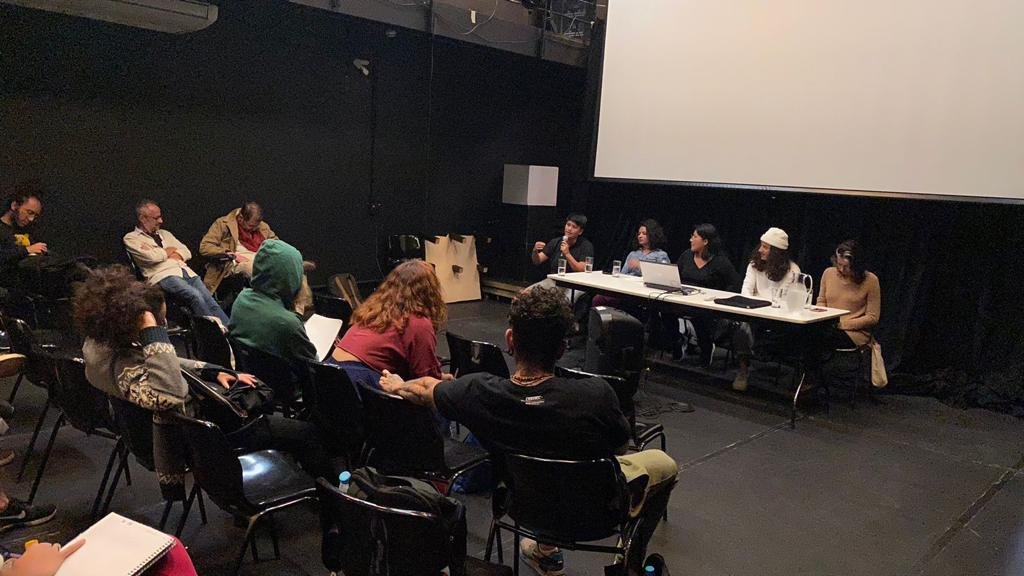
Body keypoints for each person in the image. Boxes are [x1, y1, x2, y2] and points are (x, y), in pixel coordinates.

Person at [380, 286, 677, 576]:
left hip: (522, 507)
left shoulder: (479, 393)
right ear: (561, 348)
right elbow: (620, 448)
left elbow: (425, 389)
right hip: (598, 516)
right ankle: (628, 560)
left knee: (541, 467)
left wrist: (397, 385)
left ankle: (543, 550)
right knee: (664, 464)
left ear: (510, 340)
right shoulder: (597, 395)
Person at [76, 266, 336, 500]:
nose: (164, 328)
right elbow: (171, 393)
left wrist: (211, 372)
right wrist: (150, 328)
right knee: (305, 432)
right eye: (160, 324)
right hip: (198, 441)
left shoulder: (102, 351)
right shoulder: (127, 371)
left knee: (256, 400)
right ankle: (333, 500)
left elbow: (166, 363)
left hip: (166, 433)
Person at [326, 259, 448, 389]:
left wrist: (439, 377)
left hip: (331, 375)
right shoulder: (418, 322)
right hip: (358, 382)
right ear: (430, 291)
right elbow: (426, 380)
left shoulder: (373, 310)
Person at [124, 200, 229, 326]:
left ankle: (232, 334)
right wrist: (168, 252)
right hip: (163, 276)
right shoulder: (131, 238)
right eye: (156, 218)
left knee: (210, 301)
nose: (161, 221)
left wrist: (164, 254)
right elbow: (151, 257)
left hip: (185, 271)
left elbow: (186, 252)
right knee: (195, 296)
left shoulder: (165, 234)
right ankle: (214, 331)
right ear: (142, 218)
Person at [199, 201, 314, 315]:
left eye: (256, 226)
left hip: (263, 257)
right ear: (240, 219)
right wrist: (229, 253)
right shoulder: (222, 224)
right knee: (255, 268)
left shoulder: (262, 227)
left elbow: (277, 244)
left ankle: (300, 311)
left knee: (296, 269)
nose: (254, 229)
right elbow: (205, 247)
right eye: (251, 226)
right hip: (235, 261)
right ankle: (272, 308)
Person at [732, 227, 801, 391]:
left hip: (777, 319)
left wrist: (763, 304)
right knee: (741, 326)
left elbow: (784, 301)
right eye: (761, 245)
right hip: (753, 313)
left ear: (776, 252)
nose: (760, 250)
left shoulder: (793, 271)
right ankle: (743, 371)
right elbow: (746, 291)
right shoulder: (754, 265)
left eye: (765, 247)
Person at [228, 239, 318, 362]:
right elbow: (313, 363)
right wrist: (298, 313)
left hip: (250, 375)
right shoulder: (289, 324)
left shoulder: (242, 299)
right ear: (290, 277)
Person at [672, 224, 740, 365]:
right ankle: (678, 341)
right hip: (683, 300)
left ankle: (705, 346)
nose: (691, 239)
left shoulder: (720, 262)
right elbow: (674, 277)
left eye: (694, 236)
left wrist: (718, 298)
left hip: (706, 306)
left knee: (700, 315)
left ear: (705, 241)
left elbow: (734, 284)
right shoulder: (686, 256)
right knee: (663, 310)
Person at [816, 239, 881, 350]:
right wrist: (823, 319)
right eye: (839, 264)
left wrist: (841, 325)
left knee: (818, 339)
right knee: (804, 334)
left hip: (854, 333)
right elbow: (821, 301)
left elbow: (872, 317)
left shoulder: (871, 280)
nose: (841, 269)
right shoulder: (828, 273)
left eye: (846, 267)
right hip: (829, 327)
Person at [592, 219, 670, 309]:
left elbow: (664, 278)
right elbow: (622, 275)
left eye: (644, 234)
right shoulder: (633, 254)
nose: (640, 236)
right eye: (639, 234)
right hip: (626, 291)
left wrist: (640, 266)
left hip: (645, 294)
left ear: (653, 235)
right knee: (599, 298)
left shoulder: (661, 255)